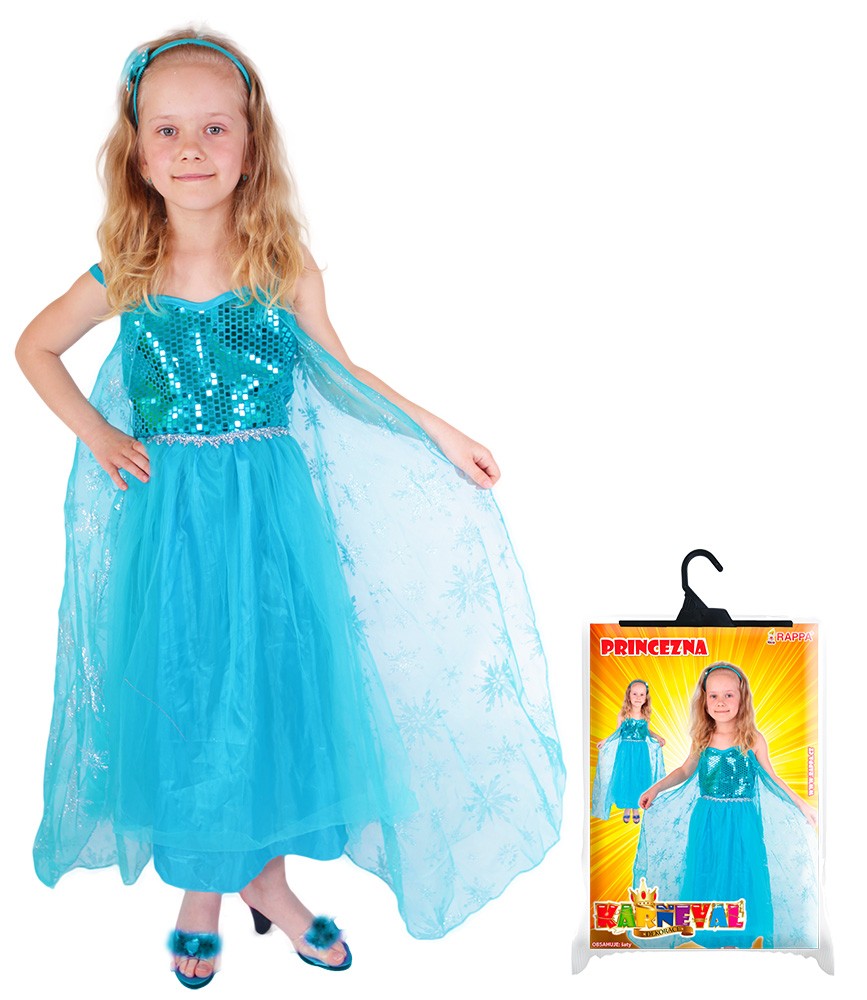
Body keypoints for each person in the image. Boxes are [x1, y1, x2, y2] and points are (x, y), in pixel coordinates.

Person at [16, 29, 564, 988]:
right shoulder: (125, 274)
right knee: (187, 694)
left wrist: (437, 431)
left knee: (269, 693)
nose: (191, 148)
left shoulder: (281, 268)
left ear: (250, 146)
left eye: (214, 128)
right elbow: (33, 348)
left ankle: (259, 880)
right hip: (171, 526)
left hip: (269, 523)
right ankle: (216, 887)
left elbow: (343, 375)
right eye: (167, 130)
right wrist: (96, 435)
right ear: (137, 153)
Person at [633, 662, 817, 949]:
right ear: (704, 701)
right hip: (707, 819)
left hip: (743, 821)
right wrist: (655, 788)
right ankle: (713, 935)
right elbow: (684, 771)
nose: (720, 702)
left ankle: (736, 937)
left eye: (729, 695)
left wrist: (801, 804)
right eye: (714, 696)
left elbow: (772, 778)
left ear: (742, 698)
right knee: (707, 869)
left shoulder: (753, 739)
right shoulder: (703, 738)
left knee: (742, 871)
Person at [591, 679, 665, 823]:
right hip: (625, 752)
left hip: (641, 752)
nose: (638, 698)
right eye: (634, 694)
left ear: (646, 697)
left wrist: (658, 737)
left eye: (641, 695)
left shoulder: (645, 715)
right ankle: (627, 807)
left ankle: (635, 807)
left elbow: (646, 731)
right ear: (629, 695)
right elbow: (617, 732)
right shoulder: (623, 714)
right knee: (626, 777)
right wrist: (605, 741)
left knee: (638, 777)